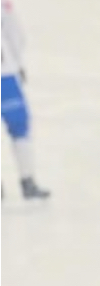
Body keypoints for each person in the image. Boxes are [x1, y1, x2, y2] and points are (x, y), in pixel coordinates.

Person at [1, 0, 50, 199]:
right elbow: (15, 33)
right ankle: (27, 180)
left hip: (5, 72)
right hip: (5, 75)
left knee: (19, 124)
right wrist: (18, 63)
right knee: (19, 126)